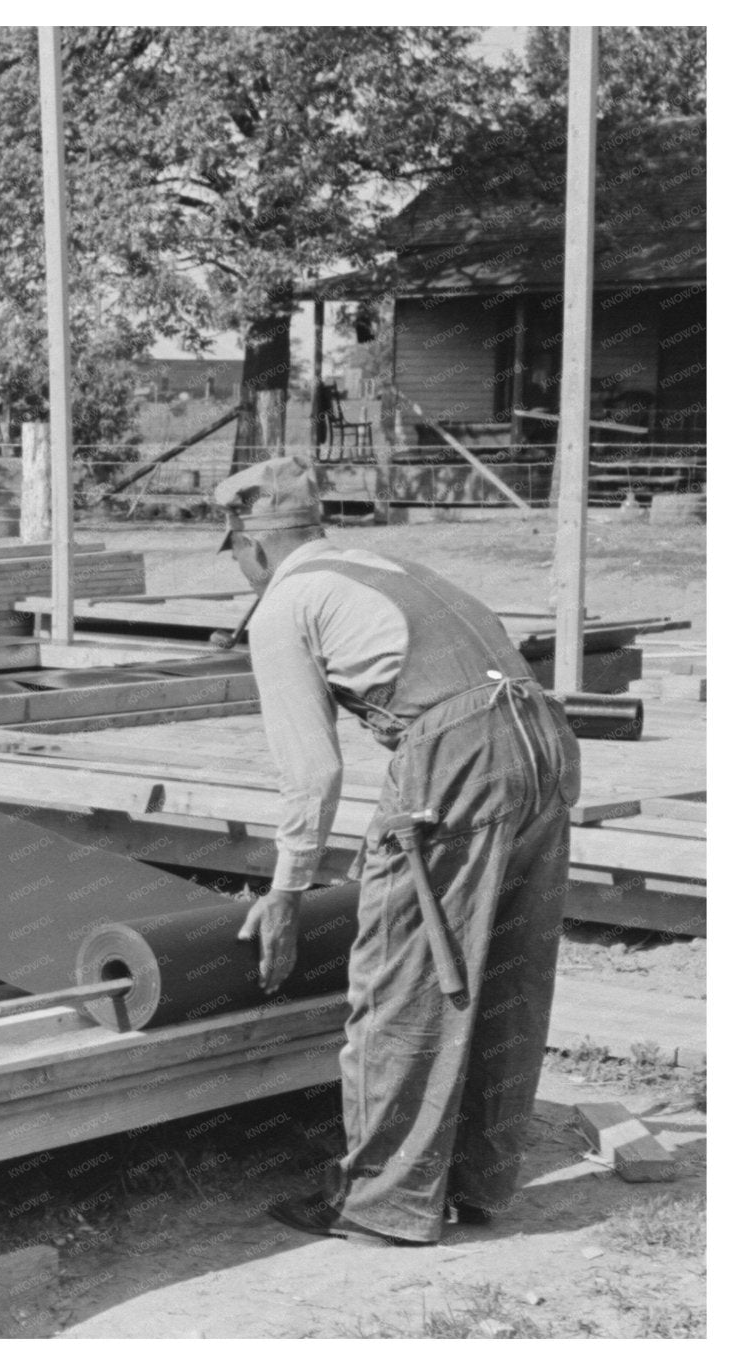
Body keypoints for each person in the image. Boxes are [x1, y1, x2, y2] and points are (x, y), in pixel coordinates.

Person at [217, 457, 580, 1247]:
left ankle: (381, 1203)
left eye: (238, 557)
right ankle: (479, 1183)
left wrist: (286, 889)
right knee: (507, 971)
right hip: (543, 739)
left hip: (460, 754)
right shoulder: (388, 565)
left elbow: (310, 768)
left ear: (251, 546)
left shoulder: (286, 603)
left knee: (404, 975)